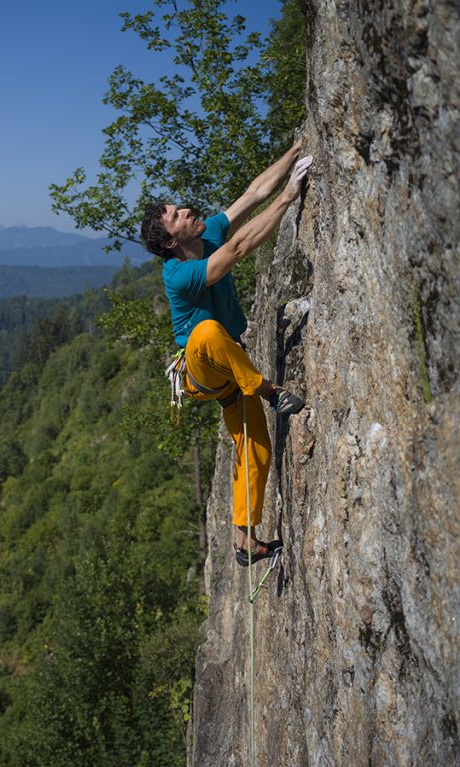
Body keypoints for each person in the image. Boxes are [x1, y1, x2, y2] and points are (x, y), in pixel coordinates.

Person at [140, 140, 313, 567]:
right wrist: (290, 197)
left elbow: (254, 193)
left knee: (257, 447)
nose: (186, 210)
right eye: (176, 215)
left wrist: (295, 150)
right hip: (204, 367)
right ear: (169, 241)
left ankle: (244, 541)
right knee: (207, 331)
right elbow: (237, 250)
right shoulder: (179, 274)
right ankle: (270, 391)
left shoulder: (207, 232)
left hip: (230, 369)